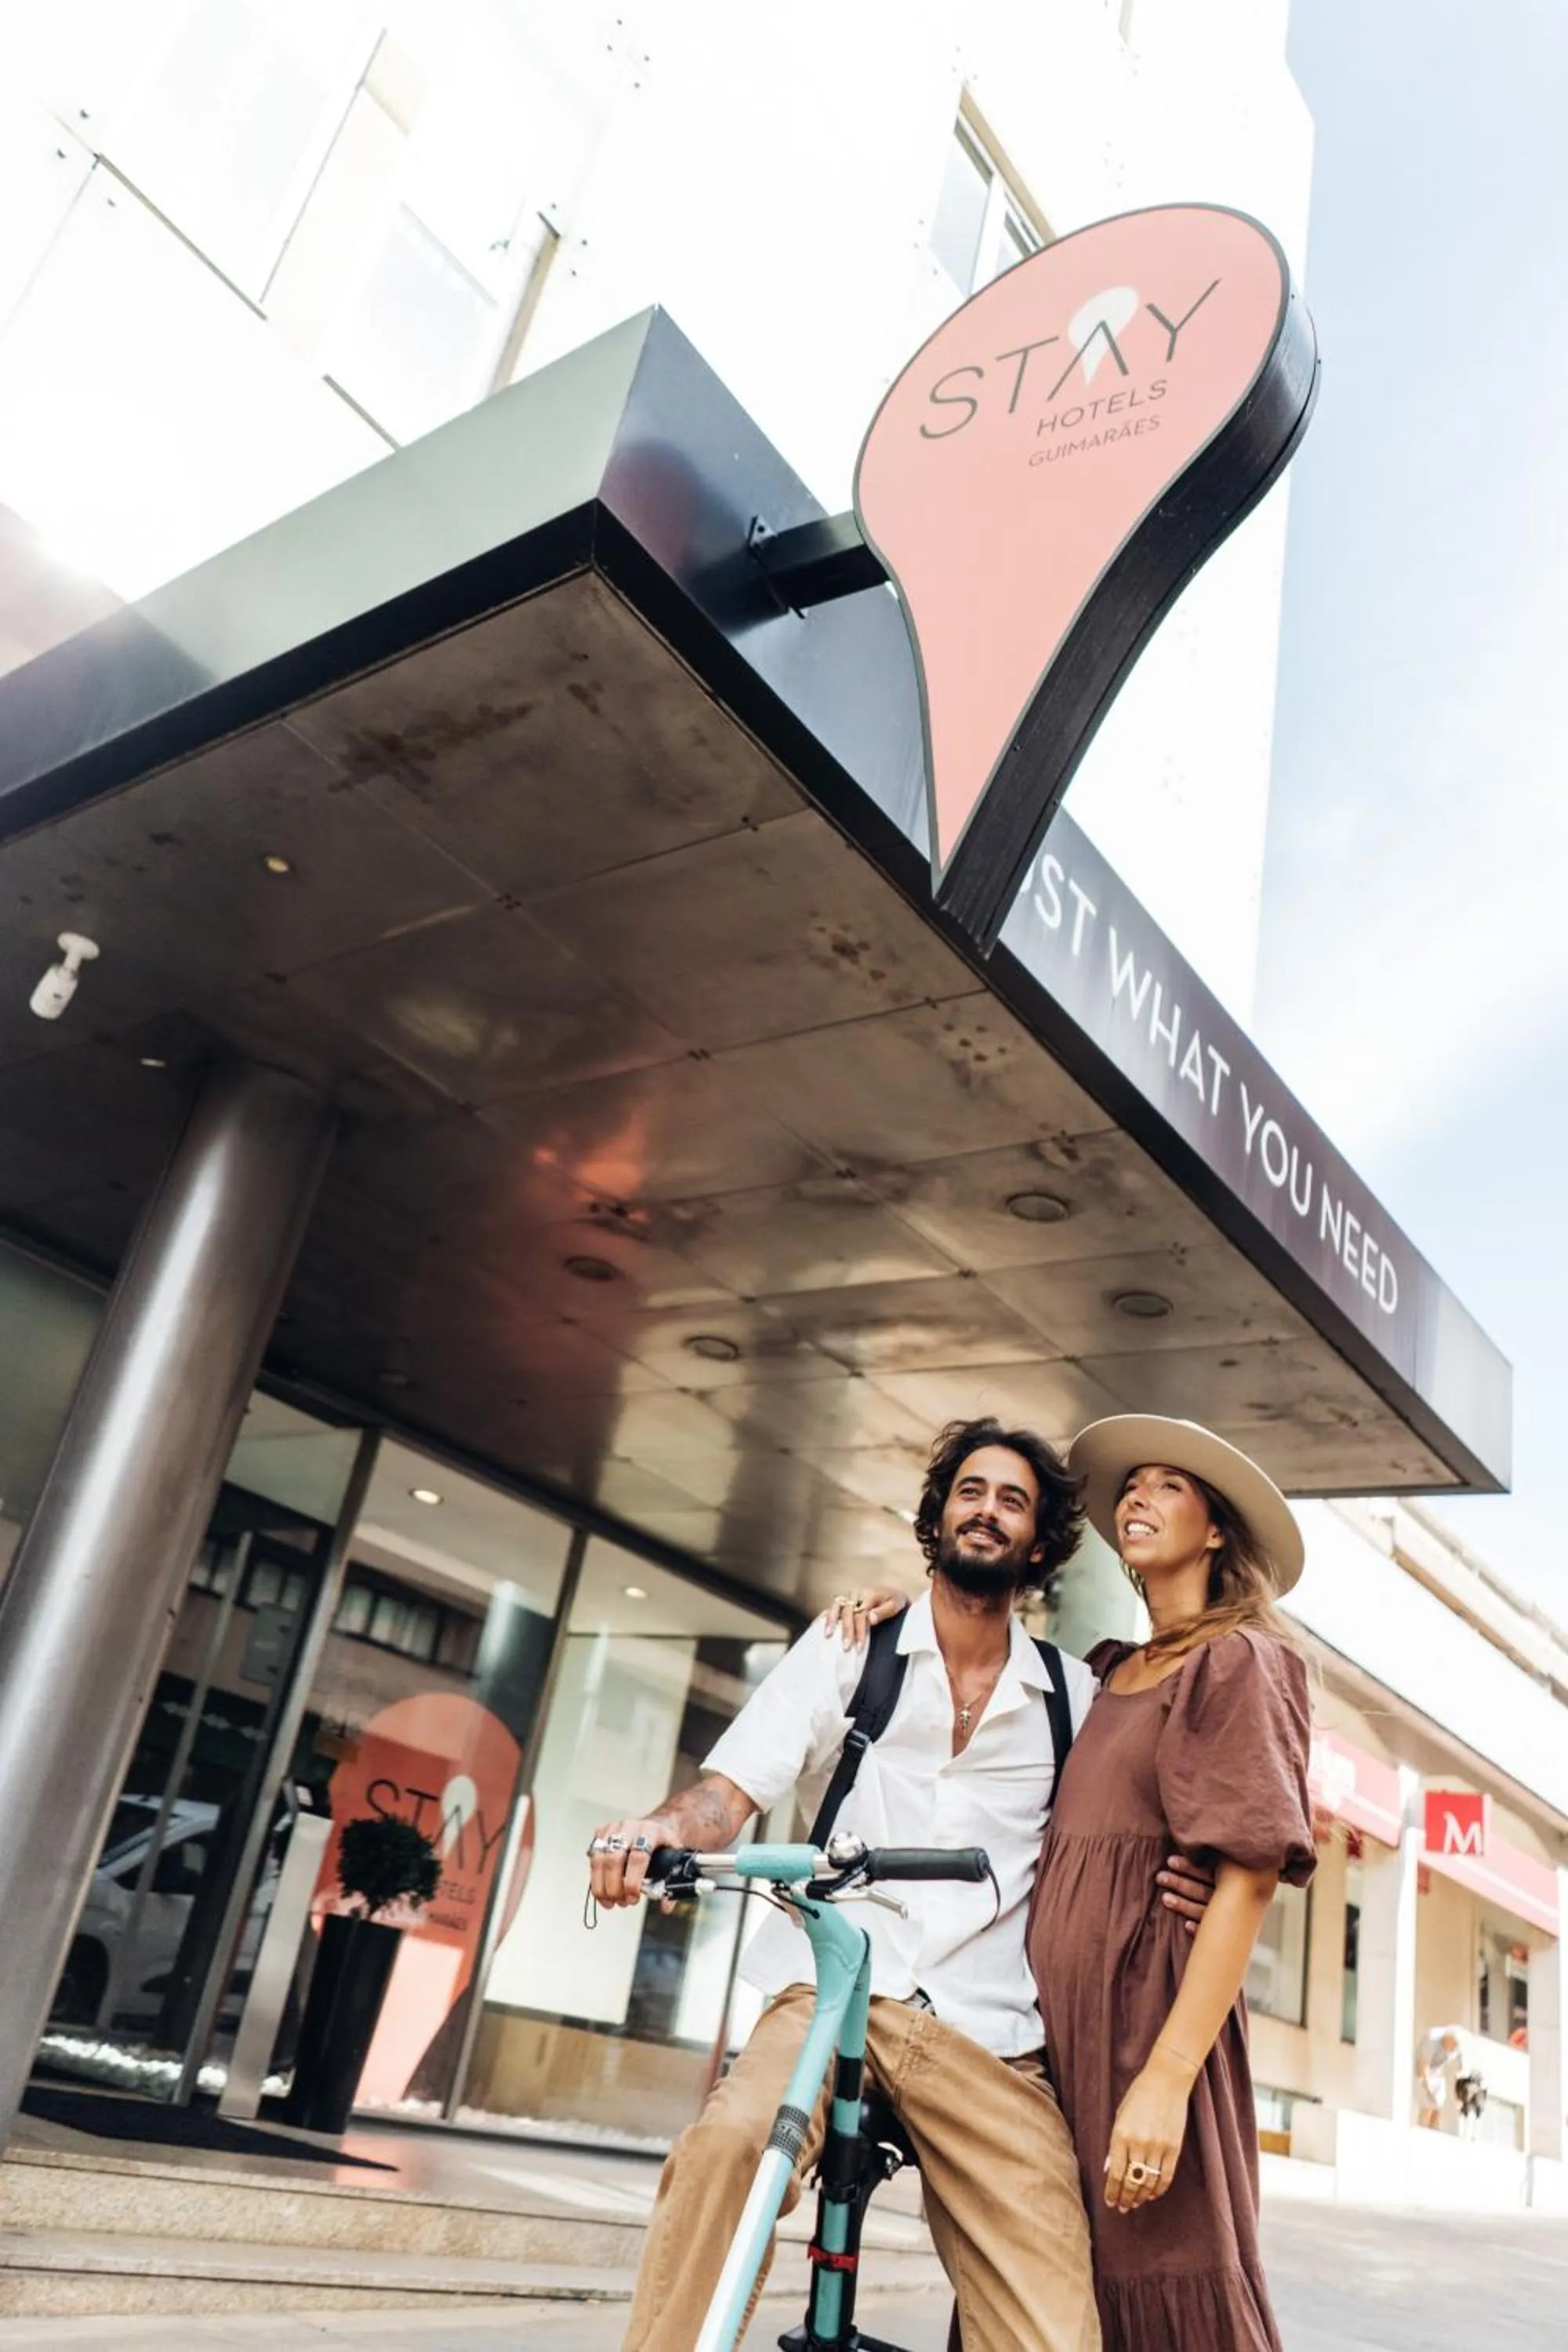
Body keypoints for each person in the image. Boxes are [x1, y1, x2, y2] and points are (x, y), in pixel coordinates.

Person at [586, 1417, 1210, 2352]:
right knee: (724, 2153)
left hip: (989, 2037)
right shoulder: (850, 1648)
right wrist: (660, 1830)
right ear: (937, 1517)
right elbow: (729, 1792)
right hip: (832, 1992)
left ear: (1036, 1545)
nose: (985, 1511)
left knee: (1052, 2317)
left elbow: (1145, 1829)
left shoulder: (1071, 1699)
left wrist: (1192, 1881)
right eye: (969, 1491)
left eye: (1010, 1500)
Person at [844, 1414, 1313, 2352]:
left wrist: (1164, 2082)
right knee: (1034, 2282)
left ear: (1215, 1529)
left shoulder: (1240, 1661)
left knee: (1161, 2281)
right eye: (1129, 1485)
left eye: (1166, 1486)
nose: (1136, 1497)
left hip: (1145, 2029)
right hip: (1040, 2032)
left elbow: (1248, 1879)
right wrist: (903, 1611)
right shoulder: (1101, 1672)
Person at [1415, 2023, 1474, 2129]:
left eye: (1456, 2045)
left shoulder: (1458, 2048)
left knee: (1438, 2107)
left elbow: (1460, 2073)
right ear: (1447, 2038)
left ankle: (1434, 2134)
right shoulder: (1432, 2039)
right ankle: (1421, 2132)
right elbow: (1422, 2068)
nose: (1453, 2048)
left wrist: (1460, 2097)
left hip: (1437, 2070)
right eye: (1452, 2044)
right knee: (1427, 2106)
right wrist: (1428, 2090)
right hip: (1421, 2069)